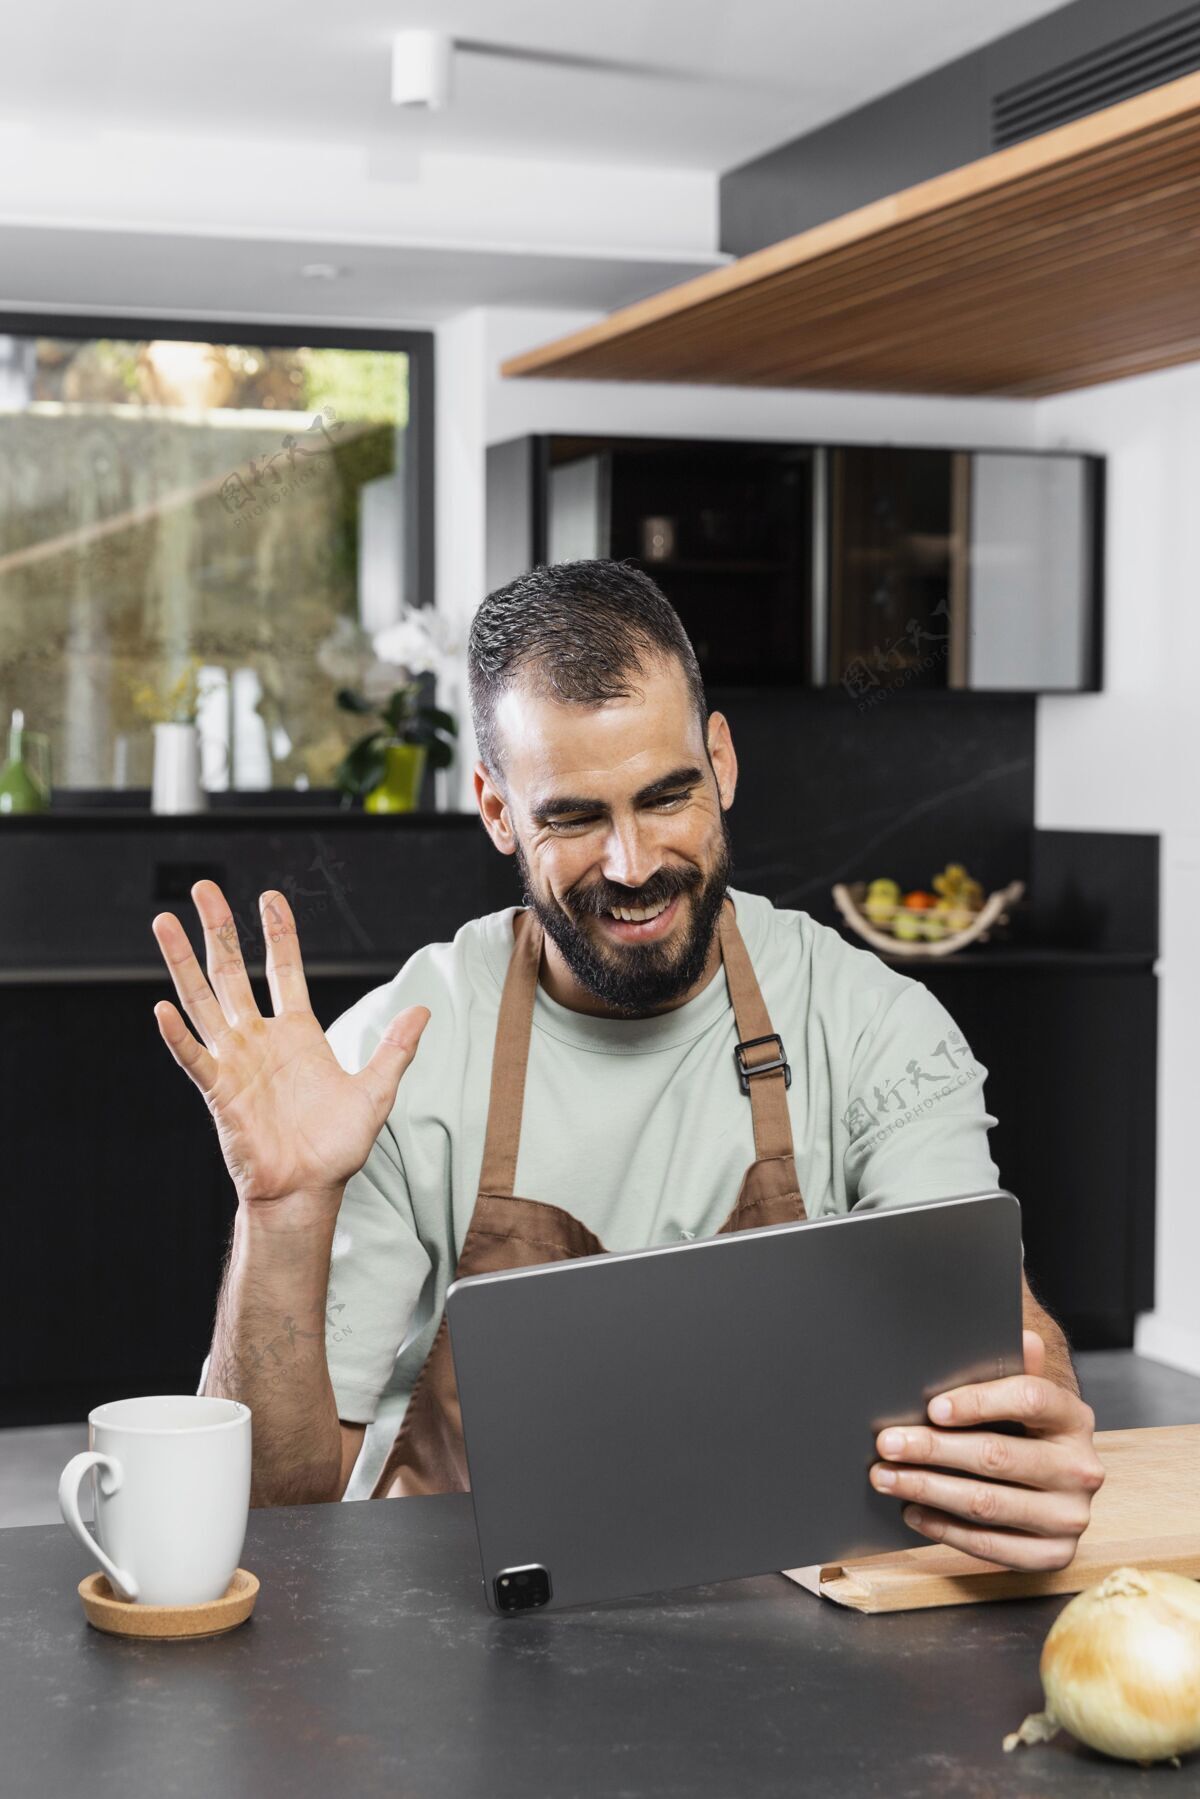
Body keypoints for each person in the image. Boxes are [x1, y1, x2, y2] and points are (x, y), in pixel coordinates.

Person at [153, 560, 1103, 1570]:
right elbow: (275, 1504)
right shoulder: (392, 1059)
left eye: (667, 795)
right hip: (469, 1637)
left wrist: (1029, 1438)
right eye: (572, 816)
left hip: (796, 1610)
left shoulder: (874, 1027)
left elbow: (993, 1351)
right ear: (497, 810)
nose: (632, 861)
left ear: (722, 762)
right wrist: (284, 1211)